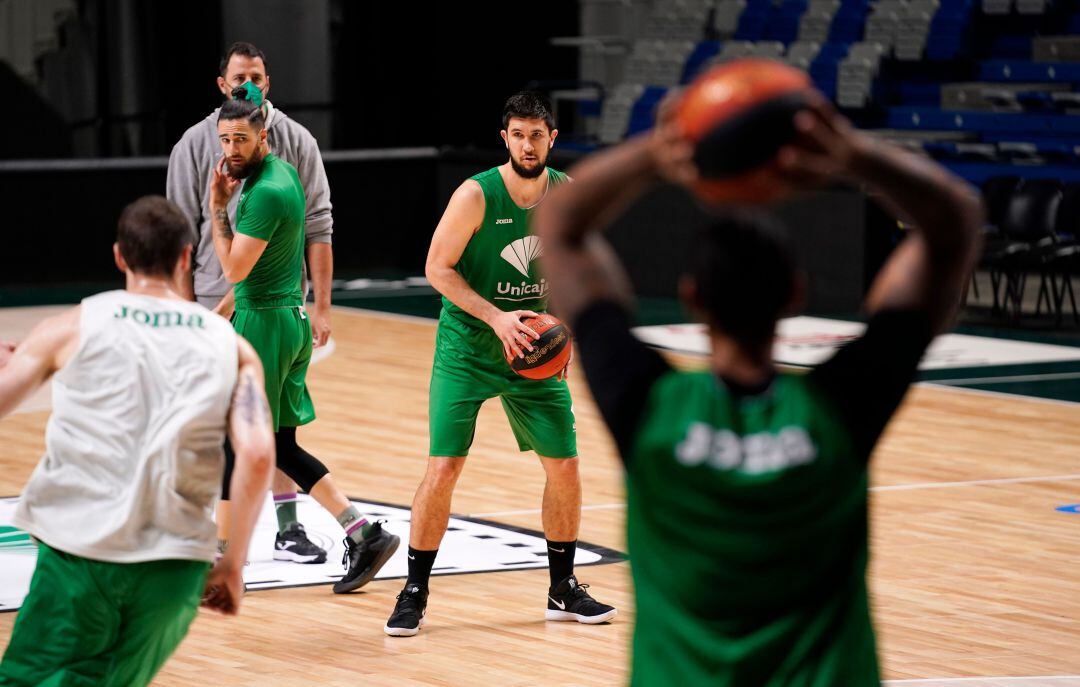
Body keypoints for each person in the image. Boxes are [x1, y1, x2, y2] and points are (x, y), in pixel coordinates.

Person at [533, 97, 982, 684]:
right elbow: (957, 222)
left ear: (692, 298)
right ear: (795, 295)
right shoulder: (838, 411)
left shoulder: (651, 409)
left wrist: (659, 151)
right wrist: (851, 154)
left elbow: (558, 228)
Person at [0, 196, 275, 686]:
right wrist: (232, 563)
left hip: (79, 553)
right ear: (187, 257)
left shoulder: (70, 327)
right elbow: (255, 454)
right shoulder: (230, 344)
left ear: (119, 256)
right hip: (174, 565)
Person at [384, 92, 616, 637]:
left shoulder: (566, 196)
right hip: (470, 345)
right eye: (518, 134)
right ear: (504, 138)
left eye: (538, 134)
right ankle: (413, 590)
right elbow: (437, 269)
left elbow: (577, 270)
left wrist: (567, 330)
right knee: (444, 468)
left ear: (552, 139)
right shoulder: (476, 195)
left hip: (534, 347)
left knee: (567, 466)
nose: (528, 143)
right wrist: (496, 318)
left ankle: (562, 588)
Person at [210, 89, 399, 593]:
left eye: (241, 139)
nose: (231, 148)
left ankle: (224, 559)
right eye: (225, 138)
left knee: (240, 443)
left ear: (263, 137)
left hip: (267, 327)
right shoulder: (277, 176)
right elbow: (248, 279)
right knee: (280, 445)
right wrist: (217, 316)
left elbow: (233, 267)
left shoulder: (265, 191)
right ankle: (363, 533)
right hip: (281, 317)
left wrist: (215, 211)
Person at [167, 41, 334, 563]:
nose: (247, 87)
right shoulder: (195, 145)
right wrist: (185, 313)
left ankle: (269, 530)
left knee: (262, 428)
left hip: (264, 306)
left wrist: (322, 306)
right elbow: (179, 240)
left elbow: (318, 225)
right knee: (242, 426)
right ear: (222, 85)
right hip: (224, 302)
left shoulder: (292, 150)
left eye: (256, 78)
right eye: (239, 78)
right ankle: (207, 527)